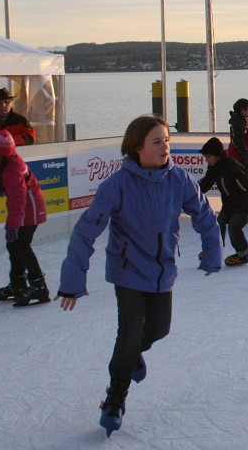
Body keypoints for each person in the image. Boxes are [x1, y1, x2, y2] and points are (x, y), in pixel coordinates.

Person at [56, 114, 221, 437]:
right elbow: (86, 231)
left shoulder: (179, 179)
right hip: (128, 272)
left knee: (160, 328)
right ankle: (115, 398)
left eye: (167, 140)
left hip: (163, 271)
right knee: (130, 333)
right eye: (156, 142)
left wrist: (212, 254)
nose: (165, 147)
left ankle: (131, 359)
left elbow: (203, 214)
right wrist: (73, 280)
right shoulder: (116, 185)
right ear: (137, 148)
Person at [0, 130, 49, 306]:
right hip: (26, 209)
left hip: (30, 209)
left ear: (2, 153)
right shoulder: (7, 164)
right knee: (14, 245)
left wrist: (13, 226)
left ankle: (39, 286)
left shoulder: (12, 170)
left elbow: (18, 199)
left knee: (21, 245)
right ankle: (18, 284)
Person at [198, 137, 248, 266]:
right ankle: (214, 251)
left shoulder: (233, 168)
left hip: (244, 204)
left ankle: (243, 255)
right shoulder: (214, 167)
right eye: (205, 157)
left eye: (209, 157)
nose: (207, 160)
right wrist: (190, 194)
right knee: (217, 224)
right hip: (229, 204)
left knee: (234, 227)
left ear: (217, 156)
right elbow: (205, 184)